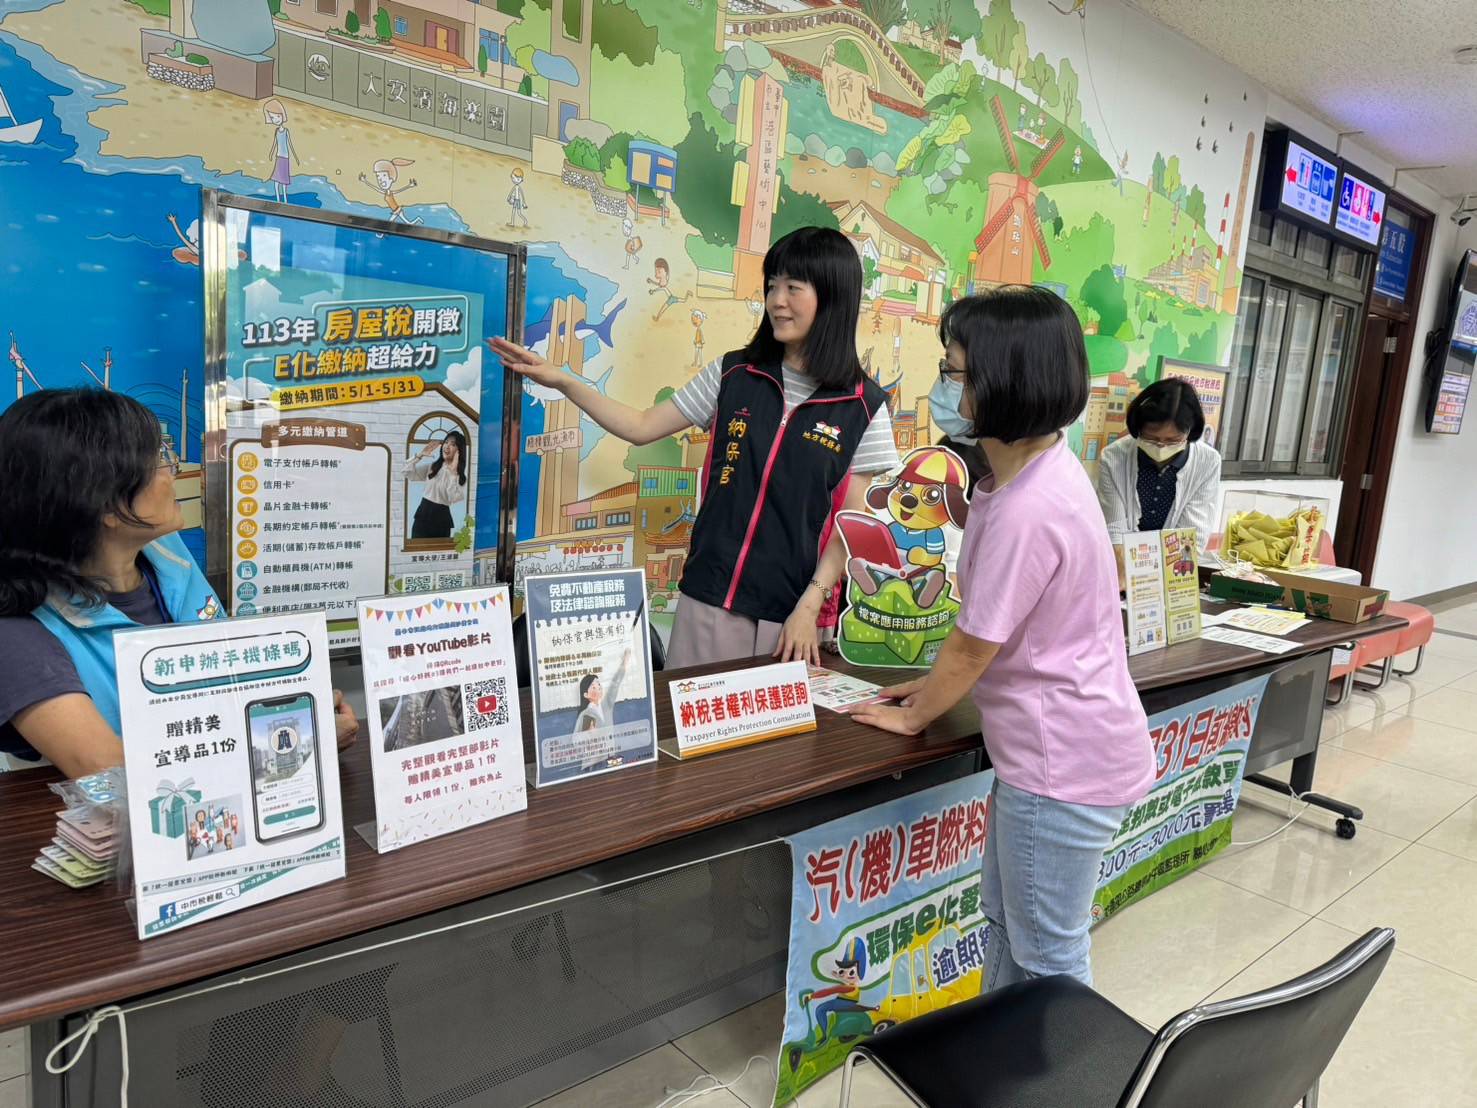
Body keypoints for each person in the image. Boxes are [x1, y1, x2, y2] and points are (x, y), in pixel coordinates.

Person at [852, 287, 1153, 990]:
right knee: (1006, 925)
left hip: (1062, 766)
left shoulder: (1029, 507)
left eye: (953, 372)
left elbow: (972, 645)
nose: (941, 386)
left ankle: (1055, 1061)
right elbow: (1003, 631)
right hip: (1058, 755)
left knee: (1049, 960)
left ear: (1006, 383)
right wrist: (928, 687)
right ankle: (999, 1049)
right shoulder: (1033, 474)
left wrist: (915, 716)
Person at [491, 226, 900, 668]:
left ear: (833, 297)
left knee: (776, 718)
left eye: (793, 288)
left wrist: (809, 606)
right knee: (687, 712)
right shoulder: (734, 374)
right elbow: (641, 426)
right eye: (772, 286)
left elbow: (848, 525)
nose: (776, 301)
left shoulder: (865, 406)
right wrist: (564, 381)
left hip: (792, 618)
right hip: (709, 599)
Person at [0, 390, 359, 779]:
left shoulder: (166, 553)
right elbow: (108, 769)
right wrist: (301, 740)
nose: (171, 472)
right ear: (102, 503)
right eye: (157, 462)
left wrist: (295, 710)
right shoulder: (17, 630)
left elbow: (231, 681)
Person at [1095, 377, 1222, 566]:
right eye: (1151, 438)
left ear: (1189, 432)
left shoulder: (1207, 462)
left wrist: (1165, 577)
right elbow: (1114, 528)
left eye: (1173, 440)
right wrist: (1126, 574)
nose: (1161, 446)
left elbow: (1192, 534)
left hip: (1175, 567)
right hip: (1120, 562)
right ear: (1138, 428)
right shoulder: (1114, 457)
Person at [404, 430, 468, 541]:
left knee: (438, 550)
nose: (447, 446)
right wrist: (419, 455)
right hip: (422, 516)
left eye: (453, 444)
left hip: (442, 520)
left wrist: (453, 473)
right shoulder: (433, 467)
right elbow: (407, 473)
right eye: (446, 442)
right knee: (417, 549)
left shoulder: (459, 476)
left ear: (459, 451)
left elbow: (453, 498)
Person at [573, 648, 632, 733]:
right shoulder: (586, 714)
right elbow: (578, 738)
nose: (598, 688)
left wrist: (624, 663)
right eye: (594, 687)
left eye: (599, 685)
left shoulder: (607, 704)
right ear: (586, 695)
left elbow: (615, 684)